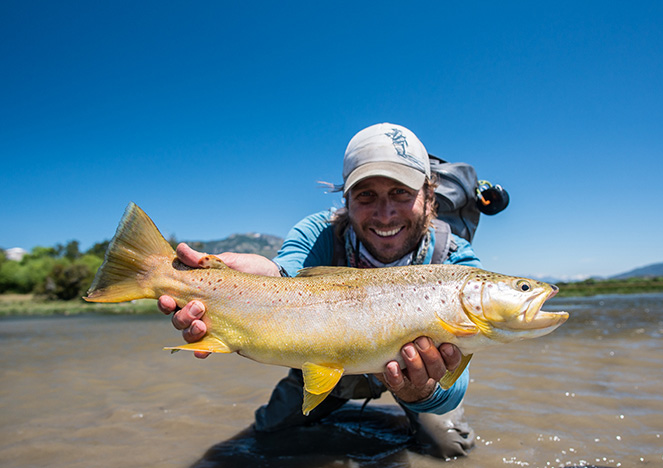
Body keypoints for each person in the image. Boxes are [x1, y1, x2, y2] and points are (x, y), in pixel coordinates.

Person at [158, 123, 482, 458]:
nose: (385, 214)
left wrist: (422, 391)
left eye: (401, 192)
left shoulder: (456, 262)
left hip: (415, 379)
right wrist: (259, 280)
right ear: (346, 199)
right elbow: (285, 272)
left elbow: (454, 385)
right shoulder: (317, 233)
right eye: (366, 195)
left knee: (448, 448)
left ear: (429, 196)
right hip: (323, 364)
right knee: (265, 437)